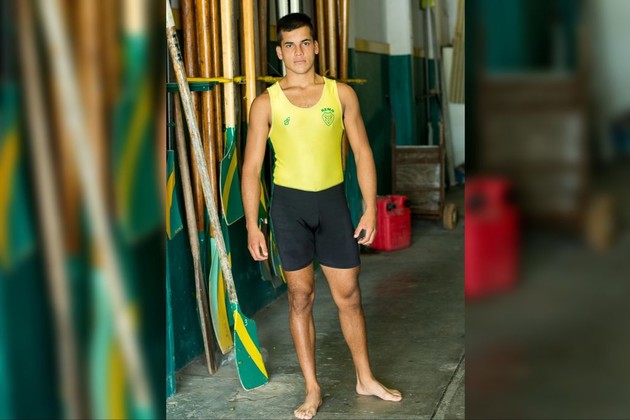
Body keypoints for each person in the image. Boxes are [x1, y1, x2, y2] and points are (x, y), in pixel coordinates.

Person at [241, 12, 402, 420]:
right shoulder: (266, 103)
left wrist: (369, 207)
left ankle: (365, 378)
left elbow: (362, 152)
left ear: (315, 46)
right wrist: (252, 225)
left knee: (349, 295)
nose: (298, 52)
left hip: (332, 204)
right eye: (289, 45)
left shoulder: (340, 94)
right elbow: (251, 168)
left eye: (304, 43)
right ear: (280, 52)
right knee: (300, 297)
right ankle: (312, 388)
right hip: (289, 208)